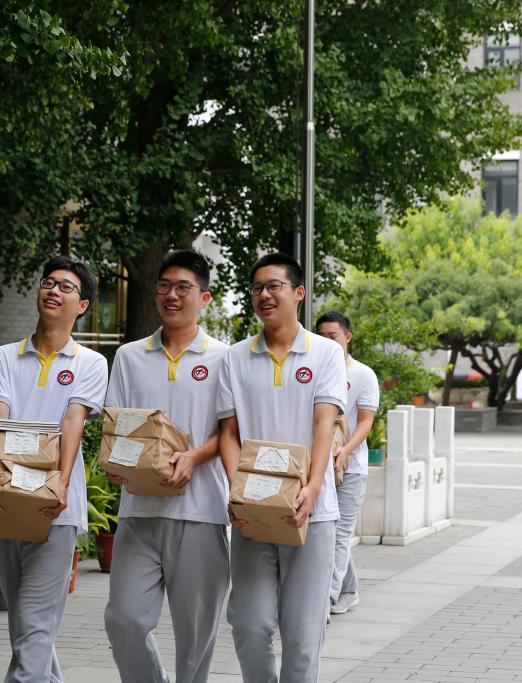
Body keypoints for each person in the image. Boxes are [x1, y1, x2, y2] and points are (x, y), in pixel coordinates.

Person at [217, 252, 347, 683]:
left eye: (274, 286)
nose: (265, 295)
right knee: (249, 623)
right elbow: (229, 432)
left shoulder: (325, 353)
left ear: (299, 293)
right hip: (252, 512)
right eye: (257, 288)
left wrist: (313, 487)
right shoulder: (235, 357)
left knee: (302, 636)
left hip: (312, 513)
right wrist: (237, 489)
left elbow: (324, 424)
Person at [0, 255, 108, 683]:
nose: (54, 290)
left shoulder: (90, 363)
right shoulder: (3, 357)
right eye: (48, 282)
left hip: (56, 508)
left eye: (67, 287)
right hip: (4, 499)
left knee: (34, 620)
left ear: (82, 305)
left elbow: (73, 421)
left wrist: (61, 484)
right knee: (26, 621)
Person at [103, 250, 231, 683]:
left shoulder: (224, 357)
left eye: (183, 288)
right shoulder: (129, 356)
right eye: (164, 286)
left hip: (200, 512)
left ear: (205, 298)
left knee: (195, 637)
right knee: (124, 619)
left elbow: (230, 431)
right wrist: (118, 465)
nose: (171, 295)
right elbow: (117, 425)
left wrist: (194, 457)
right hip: (138, 511)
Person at [315, 311, 379, 616]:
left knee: (339, 535)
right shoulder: (312, 370)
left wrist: (346, 451)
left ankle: (323, 603)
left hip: (350, 468)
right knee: (326, 534)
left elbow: (366, 421)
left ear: (347, 337)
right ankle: (348, 590)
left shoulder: (363, 374)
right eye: (322, 337)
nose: (328, 342)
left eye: (334, 336)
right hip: (317, 465)